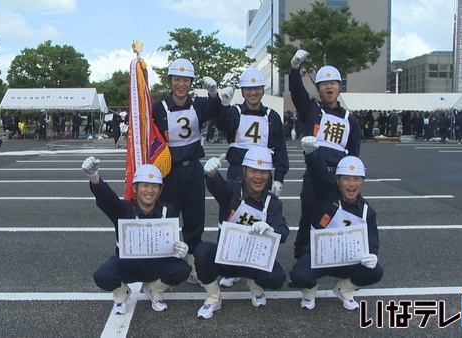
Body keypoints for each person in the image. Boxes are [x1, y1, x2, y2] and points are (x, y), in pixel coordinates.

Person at [151, 58, 234, 284]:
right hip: (170, 171)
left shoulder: (198, 104)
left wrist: (214, 94)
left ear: (190, 82)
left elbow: (216, 111)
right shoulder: (160, 107)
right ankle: (165, 265)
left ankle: (193, 265)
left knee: (195, 218)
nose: (181, 84)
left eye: (185, 80)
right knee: (167, 216)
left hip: (194, 170)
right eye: (177, 79)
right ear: (170, 81)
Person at [82, 158, 191, 314]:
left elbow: (171, 241)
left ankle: (154, 289)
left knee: (182, 269)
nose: (150, 190)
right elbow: (106, 198)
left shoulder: (169, 211)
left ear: (160, 190)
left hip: (156, 264)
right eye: (145, 185)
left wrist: (179, 248)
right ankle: (122, 293)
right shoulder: (124, 210)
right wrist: (94, 176)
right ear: (135, 187)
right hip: (127, 264)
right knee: (102, 276)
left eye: (155, 186)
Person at [194, 147, 289, 319]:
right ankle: (213, 296)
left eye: (263, 172)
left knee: (277, 278)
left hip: (254, 261)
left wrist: (271, 230)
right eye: (253, 171)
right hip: (227, 259)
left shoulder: (272, 202)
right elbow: (219, 188)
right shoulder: (232, 190)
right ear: (244, 172)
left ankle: (255, 285)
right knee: (202, 252)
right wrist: (212, 175)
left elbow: (284, 231)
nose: (258, 177)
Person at [290, 136, 383, 311]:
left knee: (376, 271)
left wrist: (372, 255)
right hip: (320, 257)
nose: (351, 184)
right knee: (298, 274)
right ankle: (310, 289)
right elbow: (318, 173)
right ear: (338, 181)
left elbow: (372, 241)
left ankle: (344, 289)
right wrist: (310, 154)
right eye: (346, 179)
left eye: (356, 179)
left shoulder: (367, 211)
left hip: (347, 261)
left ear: (362, 182)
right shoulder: (327, 194)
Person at [289, 49, 362, 259]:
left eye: (333, 84)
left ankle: (334, 257)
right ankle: (302, 258)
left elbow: (353, 154)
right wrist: (295, 69)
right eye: (324, 84)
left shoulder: (350, 120)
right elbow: (296, 92)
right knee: (309, 216)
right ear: (319, 89)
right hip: (314, 175)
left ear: (339, 87)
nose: (329, 87)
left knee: (336, 215)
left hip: (336, 178)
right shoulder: (311, 110)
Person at [216, 68, 289, 195]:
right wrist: (224, 105)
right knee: (233, 211)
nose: (253, 93)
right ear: (243, 92)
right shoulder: (234, 112)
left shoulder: (272, 116)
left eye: (257, 88)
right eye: (249, 89)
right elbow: (222, 126)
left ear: (262, 90)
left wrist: (279, 178)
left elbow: (280, 149)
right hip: (237, 171)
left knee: (262, 212)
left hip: (263, 172)